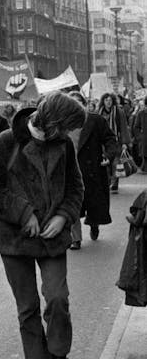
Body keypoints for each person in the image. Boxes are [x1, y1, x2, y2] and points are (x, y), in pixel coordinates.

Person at [0, 92, 84, 359]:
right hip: (14, 239)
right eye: (66, 127)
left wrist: (64, 216)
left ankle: (60, 354)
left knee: (58, 298)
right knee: (27, 306)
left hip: (53, 238)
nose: (68, 135)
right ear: (53, 121)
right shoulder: (5, 143)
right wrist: (24, 214)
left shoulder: (63, 145)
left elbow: (76, 187)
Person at [67, 92, 119, 250]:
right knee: (71, 204)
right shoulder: (63, 122)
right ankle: (75, 238)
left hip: (92, 169)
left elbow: (110, 139)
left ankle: (94, 223)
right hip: (69, 169)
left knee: (93, 203)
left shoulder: (95, 120)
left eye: (77, 102)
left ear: (83, 103)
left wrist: (108, 156)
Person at [97, 92, 131, 193]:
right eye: (106, 100)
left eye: (110, 100)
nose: (108, 102)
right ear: (103, 101)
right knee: (106, 163)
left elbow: (123, 127)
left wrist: (125, 142)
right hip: (103, 142)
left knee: (116, 163)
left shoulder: (119, 112)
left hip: (116, 141)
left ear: (113, 101)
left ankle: (115, 184)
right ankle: (107, 182)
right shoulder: (99, 112)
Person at [133, 98, 147, 172]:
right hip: (144, 138)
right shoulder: (141, 113)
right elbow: (136, 127)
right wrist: (140, 137)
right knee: (144, 154)